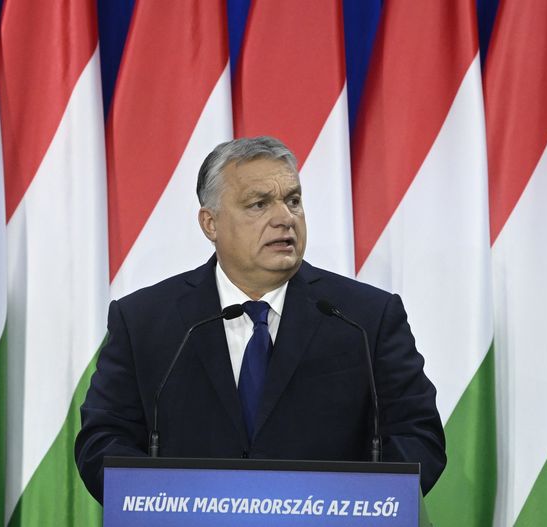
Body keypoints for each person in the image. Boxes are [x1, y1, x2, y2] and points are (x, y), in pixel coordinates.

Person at [75, 136, 445, 503]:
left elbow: (417, 436)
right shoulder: (144, 320)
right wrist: (167, 505)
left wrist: (356, 505)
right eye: (259, 204)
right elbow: (103, 440)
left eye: (293, 201)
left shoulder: (365, 318)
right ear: (210, 223)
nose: (285, 219)